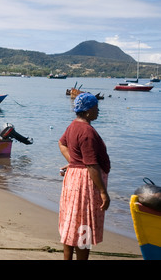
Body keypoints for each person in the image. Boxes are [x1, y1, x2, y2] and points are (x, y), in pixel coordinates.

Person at [58, 92, 111, 260]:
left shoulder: (73, 126)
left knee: (72, 222)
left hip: (74, 178)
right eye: (96, 108)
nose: (98, 111)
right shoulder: (87, 132)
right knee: (83, 225)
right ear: (87, 111)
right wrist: (103, 192)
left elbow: (62, 143)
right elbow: (91, 164)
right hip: (85, 183)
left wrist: (74, 162)